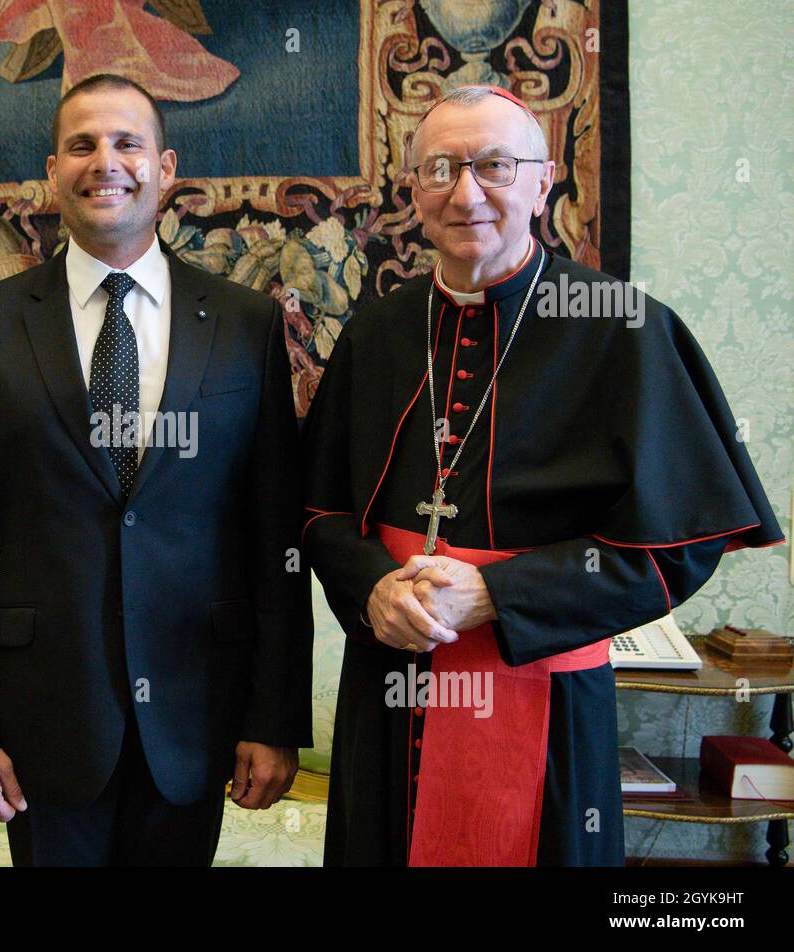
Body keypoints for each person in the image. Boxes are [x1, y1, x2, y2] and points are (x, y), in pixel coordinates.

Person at [302, 84, 784, 866]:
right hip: (389, 688)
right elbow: (318, 512)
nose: (465, 194)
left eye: (494, 165)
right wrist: (371, 588)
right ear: (413, 190)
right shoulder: (378, 330)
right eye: (440, 170)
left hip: (545, 700)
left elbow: (678, 548)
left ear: (542, 180)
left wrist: (498, 594)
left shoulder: (624, 329)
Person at [0, 73, 312, 866]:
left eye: (128, 142)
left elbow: (276, 540)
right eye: (82, 144)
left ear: (165, 168)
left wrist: (274, 718)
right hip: (40, 727)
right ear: (53, 172)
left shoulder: (245, 324)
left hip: (196, 717)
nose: (107, 161)